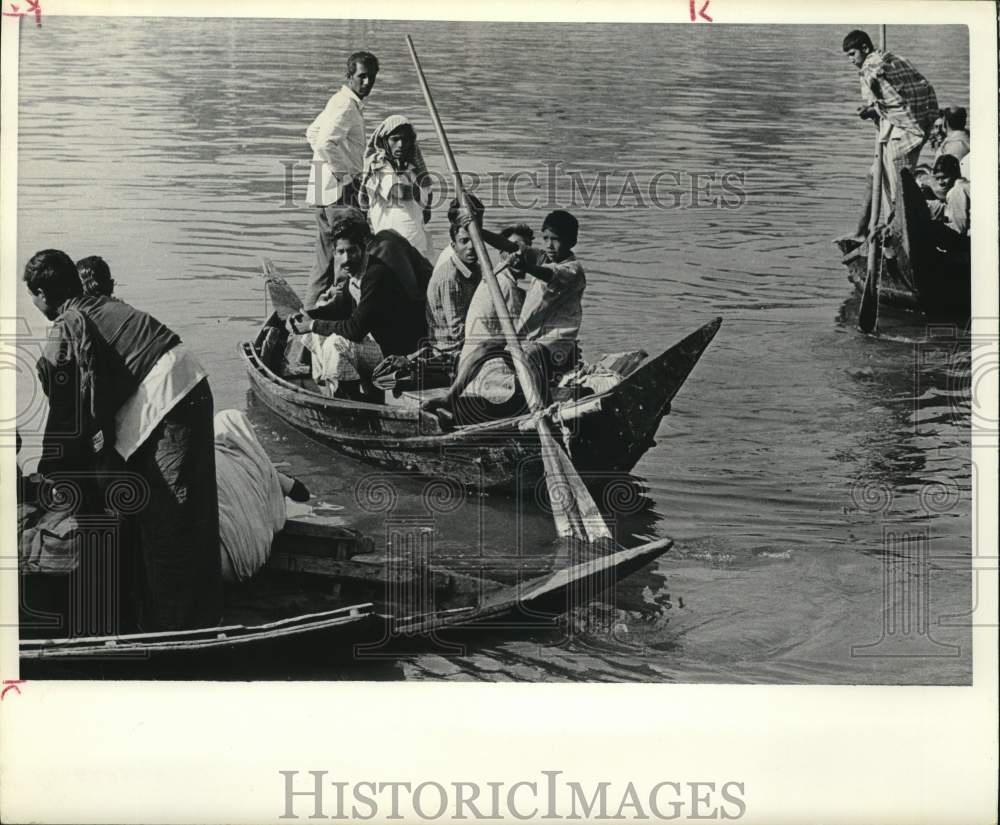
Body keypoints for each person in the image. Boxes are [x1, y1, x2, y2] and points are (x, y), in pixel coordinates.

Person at [23, 249, 221, 632]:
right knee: (185, 514)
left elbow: (68, 415)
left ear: (42, 294)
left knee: (169, 517)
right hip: (188, 384)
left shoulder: (66, 327)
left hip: (170, 401)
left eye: (32, 297)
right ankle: (188, 617)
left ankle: (176, 634)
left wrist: (52, 469)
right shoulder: (98, 306)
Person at [422, 209, 585, 415]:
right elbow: (509, 247)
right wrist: (479, 231)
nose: (550, 245)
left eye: (556, 240)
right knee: (484, 347)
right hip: (531, 337)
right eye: (546, 239)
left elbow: (545, 274)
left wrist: (524, 264)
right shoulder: (545, 257)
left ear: (572, 241)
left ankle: (542, 412)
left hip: (556, 341)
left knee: (531, 355)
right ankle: (450, 398)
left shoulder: (573, 270)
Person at [285, 210, 432, 400]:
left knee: (335, 343)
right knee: (315, 335)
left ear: (363, 248)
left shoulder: (375, 275)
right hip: (377, 342)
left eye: (352, 251)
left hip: (394, 351)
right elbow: (341, 308)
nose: (346, 259)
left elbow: (355, 330)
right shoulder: (355, 273)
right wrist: (308, 316)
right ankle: (337, 386)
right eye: (341, 252)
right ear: (334, 252)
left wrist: (312, 324)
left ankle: (349, 398)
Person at [843, 30, 938, 240]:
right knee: (876, 174)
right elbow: (904, 93)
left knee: (897, 187)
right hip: (910, 124)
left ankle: (894, 230)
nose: (851, 61)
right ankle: (867, 230)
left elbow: (891, 100)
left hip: (905, 131)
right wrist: (877, 108)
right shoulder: (894, 59)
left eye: (852, 54)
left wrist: (870, 110)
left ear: (865, 49)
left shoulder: (870, 68)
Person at [304, 50, 379, 307]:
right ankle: (340, 319)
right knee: (347, 259)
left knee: (325, 259)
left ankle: (309, 315)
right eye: (362, 77)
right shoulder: (346, 105)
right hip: (339, 194)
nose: (367, 83)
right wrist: (345, 178)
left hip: (322, 192)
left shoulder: (339, 101)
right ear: (349, 76)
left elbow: (312, 133)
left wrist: (328, 171)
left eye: (371, 77)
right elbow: (324, 142)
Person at [359, 115, 434, 259]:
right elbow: (399, 192)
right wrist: (421, 192)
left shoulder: (412, 169)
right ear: (384, 141)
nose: (401, 144)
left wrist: (425, 196)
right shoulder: (379, 167)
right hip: (390, 248)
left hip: (417, 244)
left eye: (405, 140)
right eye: (395, 139)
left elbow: (427, 211)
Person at [424, 215, 483, 365]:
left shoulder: (475, 268)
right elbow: (457, 332)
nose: (471, 247)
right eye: (464, 241)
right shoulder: (450, 278)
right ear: (453, 245)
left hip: (467, 343)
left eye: (474, 240)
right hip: (449, 351)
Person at [929, 154, 970, 255]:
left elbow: (959, 228)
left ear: (954, 174)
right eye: (937, 179)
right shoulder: (966, 184)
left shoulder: (955, 191)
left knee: (933, 227)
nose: (940, 182)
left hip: (969, 242)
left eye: (944, 177)